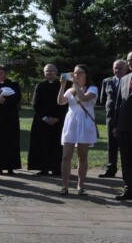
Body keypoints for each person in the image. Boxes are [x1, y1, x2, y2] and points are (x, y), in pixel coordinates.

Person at [57, 64, 98, 196]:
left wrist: (76, 84)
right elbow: (60, 102)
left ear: (86, 74)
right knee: (66, 156)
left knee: (82, 156)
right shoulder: (71, 90)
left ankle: (80, 186)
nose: (76, 75)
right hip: (71, 123)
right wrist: (63, 85)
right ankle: (65, 185)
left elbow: (84, 98)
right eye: (74, 73)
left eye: (79, 73)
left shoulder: (93, 88)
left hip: (85, 123)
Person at [27, 64, 67, 176]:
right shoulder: (40, 86)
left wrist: (57, 118)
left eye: (51, 71)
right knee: (42, 144)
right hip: (42, 121)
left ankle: (56, 169)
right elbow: (35, 103)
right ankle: (43, 168)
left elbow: (64, 104)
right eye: (47, 71)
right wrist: (45, 118)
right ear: (44, 73)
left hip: (58, 121)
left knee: (57, 145)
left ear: (56, 72)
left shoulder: (62, 86)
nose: (49, 73)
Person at [0, 64, 22, 175]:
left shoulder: (13, 84)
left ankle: (10, 167)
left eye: (0, 73)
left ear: (6, 74)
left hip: (11, 116)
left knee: (11, 140)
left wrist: (3, 99)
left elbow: (17, 97)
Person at [98, 59, 127, 178]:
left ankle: (127, 171)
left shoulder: (129, 81)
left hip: (125, 117)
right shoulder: (107, 81)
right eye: (116, 68)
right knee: (111, 144)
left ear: (126, 69)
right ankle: (111, 168)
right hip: (110, 117)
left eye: (120, 68)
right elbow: (103, 99)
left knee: (125, 145)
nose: (117, 70)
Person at [113, 51, 132, 200]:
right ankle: (128, 188)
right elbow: (118, 104)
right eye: (129, 60)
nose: (131, 62)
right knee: (126, 158)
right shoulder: (125, 79)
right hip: (124, 126)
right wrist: (115, 125)